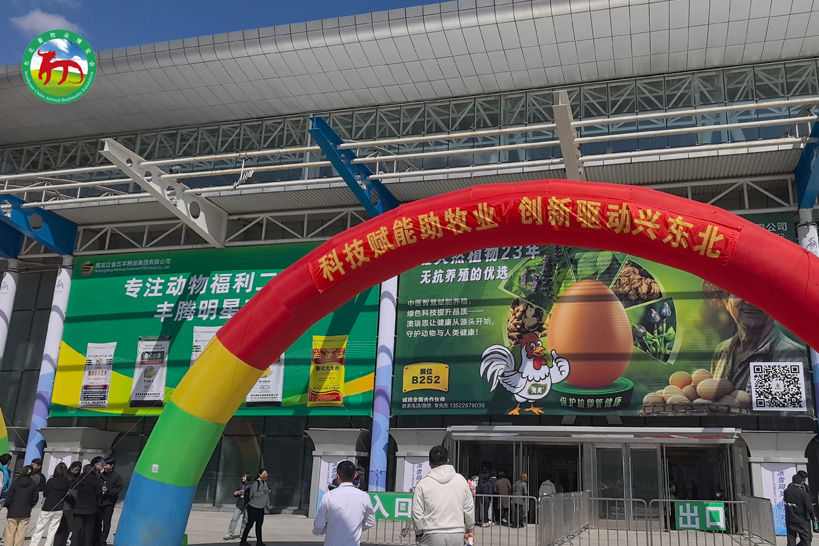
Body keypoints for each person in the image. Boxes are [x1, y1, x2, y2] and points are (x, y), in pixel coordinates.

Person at [706, 285, 807, 392]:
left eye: (761, 293)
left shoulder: (789, 355)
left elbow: (784, 402)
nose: (749, 301)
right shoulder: (722, 350)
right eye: (740, 292)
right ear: (726, 300)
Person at [411, 445, 474, 546]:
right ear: (448, 461)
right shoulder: (461, 480)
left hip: (431, 533)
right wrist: (469, 528)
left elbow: (417, 513)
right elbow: (468, 508)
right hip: (457, 532)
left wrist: (419, 532)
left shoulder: (422, 484)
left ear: (430, 463)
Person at [312, 460, 375, 546]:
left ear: (338, 477)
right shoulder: (364, 496)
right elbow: (371, 521)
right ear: (354, 476)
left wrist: (320, 531)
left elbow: (319, 525)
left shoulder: (329, 496)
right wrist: (357, 528)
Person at [30, 462, 71, 546]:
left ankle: (33, 544)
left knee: (39, 529)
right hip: (59, 508)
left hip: (47, 507)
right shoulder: (66, 482)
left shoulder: (51, 481)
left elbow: (45, 493)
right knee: (52, 531)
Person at [2, 465, 40, 546]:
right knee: (21, 534)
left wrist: (9, 506)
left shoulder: (16, 482)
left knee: (9, 534)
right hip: (25, 511)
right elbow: (35, 498)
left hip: (13, 510)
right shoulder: (34, 484)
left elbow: (9, 496)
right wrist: (30, 506)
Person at [72, 464, 103, 546]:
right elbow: (99, 493)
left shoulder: (79, 479)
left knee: (76, 530)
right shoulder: (96, 480)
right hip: (91, 508)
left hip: (78, 506)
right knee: (89, 530)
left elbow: (74, 489)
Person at [54, 461, 82, 546]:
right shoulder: (66, 477)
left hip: (73, 504)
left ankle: (63, 542)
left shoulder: (79, 479)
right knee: (62, 526)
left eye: (78, 469)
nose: (75, 471)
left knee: (68, 526)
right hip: (64, 504)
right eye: (74, 468)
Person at [240, 469, 270, 546]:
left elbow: (266, 495)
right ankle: (243, 540)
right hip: (253, 507)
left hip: (261, 508)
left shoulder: (265, 483)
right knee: (250, 524)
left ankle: (259, 541)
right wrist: (263, 492)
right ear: (260, 475)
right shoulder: (256, 483)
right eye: (264, 474)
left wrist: (267, 504)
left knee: (259, 525)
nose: (266, 475)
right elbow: (252, 494)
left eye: (266, 474)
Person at [98, 458, 124, 546]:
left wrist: (110, 491)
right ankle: (97, 540)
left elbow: (119, 488)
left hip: (109, 503)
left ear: (112, 466)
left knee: (106, 524)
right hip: (99, 502)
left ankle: (102, 541)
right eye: (104, 465)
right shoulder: (100, 476)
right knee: (97, 522)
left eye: (107, 465)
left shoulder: (116, 476)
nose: (105, 467)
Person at [784, 473, 815, 546]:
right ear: (801, 481)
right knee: (805, 538)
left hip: (791, 518)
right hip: (801, 519)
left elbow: (785, 500)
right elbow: (809, 507)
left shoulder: (787, 491)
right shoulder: (803, 493)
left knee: (791, 538)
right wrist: (813, 516)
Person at [224, 473, 252, 540]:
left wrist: (245, 492)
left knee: (245, 520)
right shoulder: (240, 485)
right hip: (239, 504)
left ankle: (242, 534)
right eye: (242, 476)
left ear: (248, 477)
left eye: (244, 476)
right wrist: (236, 493)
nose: (242, 477)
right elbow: (236, 493)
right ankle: (230, 534)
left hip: (247, 505)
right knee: (234, 519)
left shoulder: (251, 486)